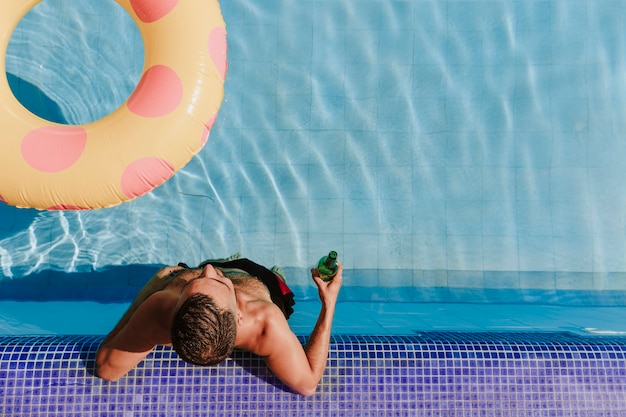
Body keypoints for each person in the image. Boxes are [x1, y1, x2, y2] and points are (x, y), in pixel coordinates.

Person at [95, 255, 343, 396]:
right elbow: (308, 383)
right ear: (239, 316)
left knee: (205, 265)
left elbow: (106, 366)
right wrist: (328, 303)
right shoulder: (265, 323)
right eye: (210, 278)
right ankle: (275, 273)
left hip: (209, 273)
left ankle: (197, 274)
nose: (210, 270)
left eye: (205, 276)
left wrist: (150, 289)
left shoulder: (160, 309)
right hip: (258, 278)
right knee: (276, 279)